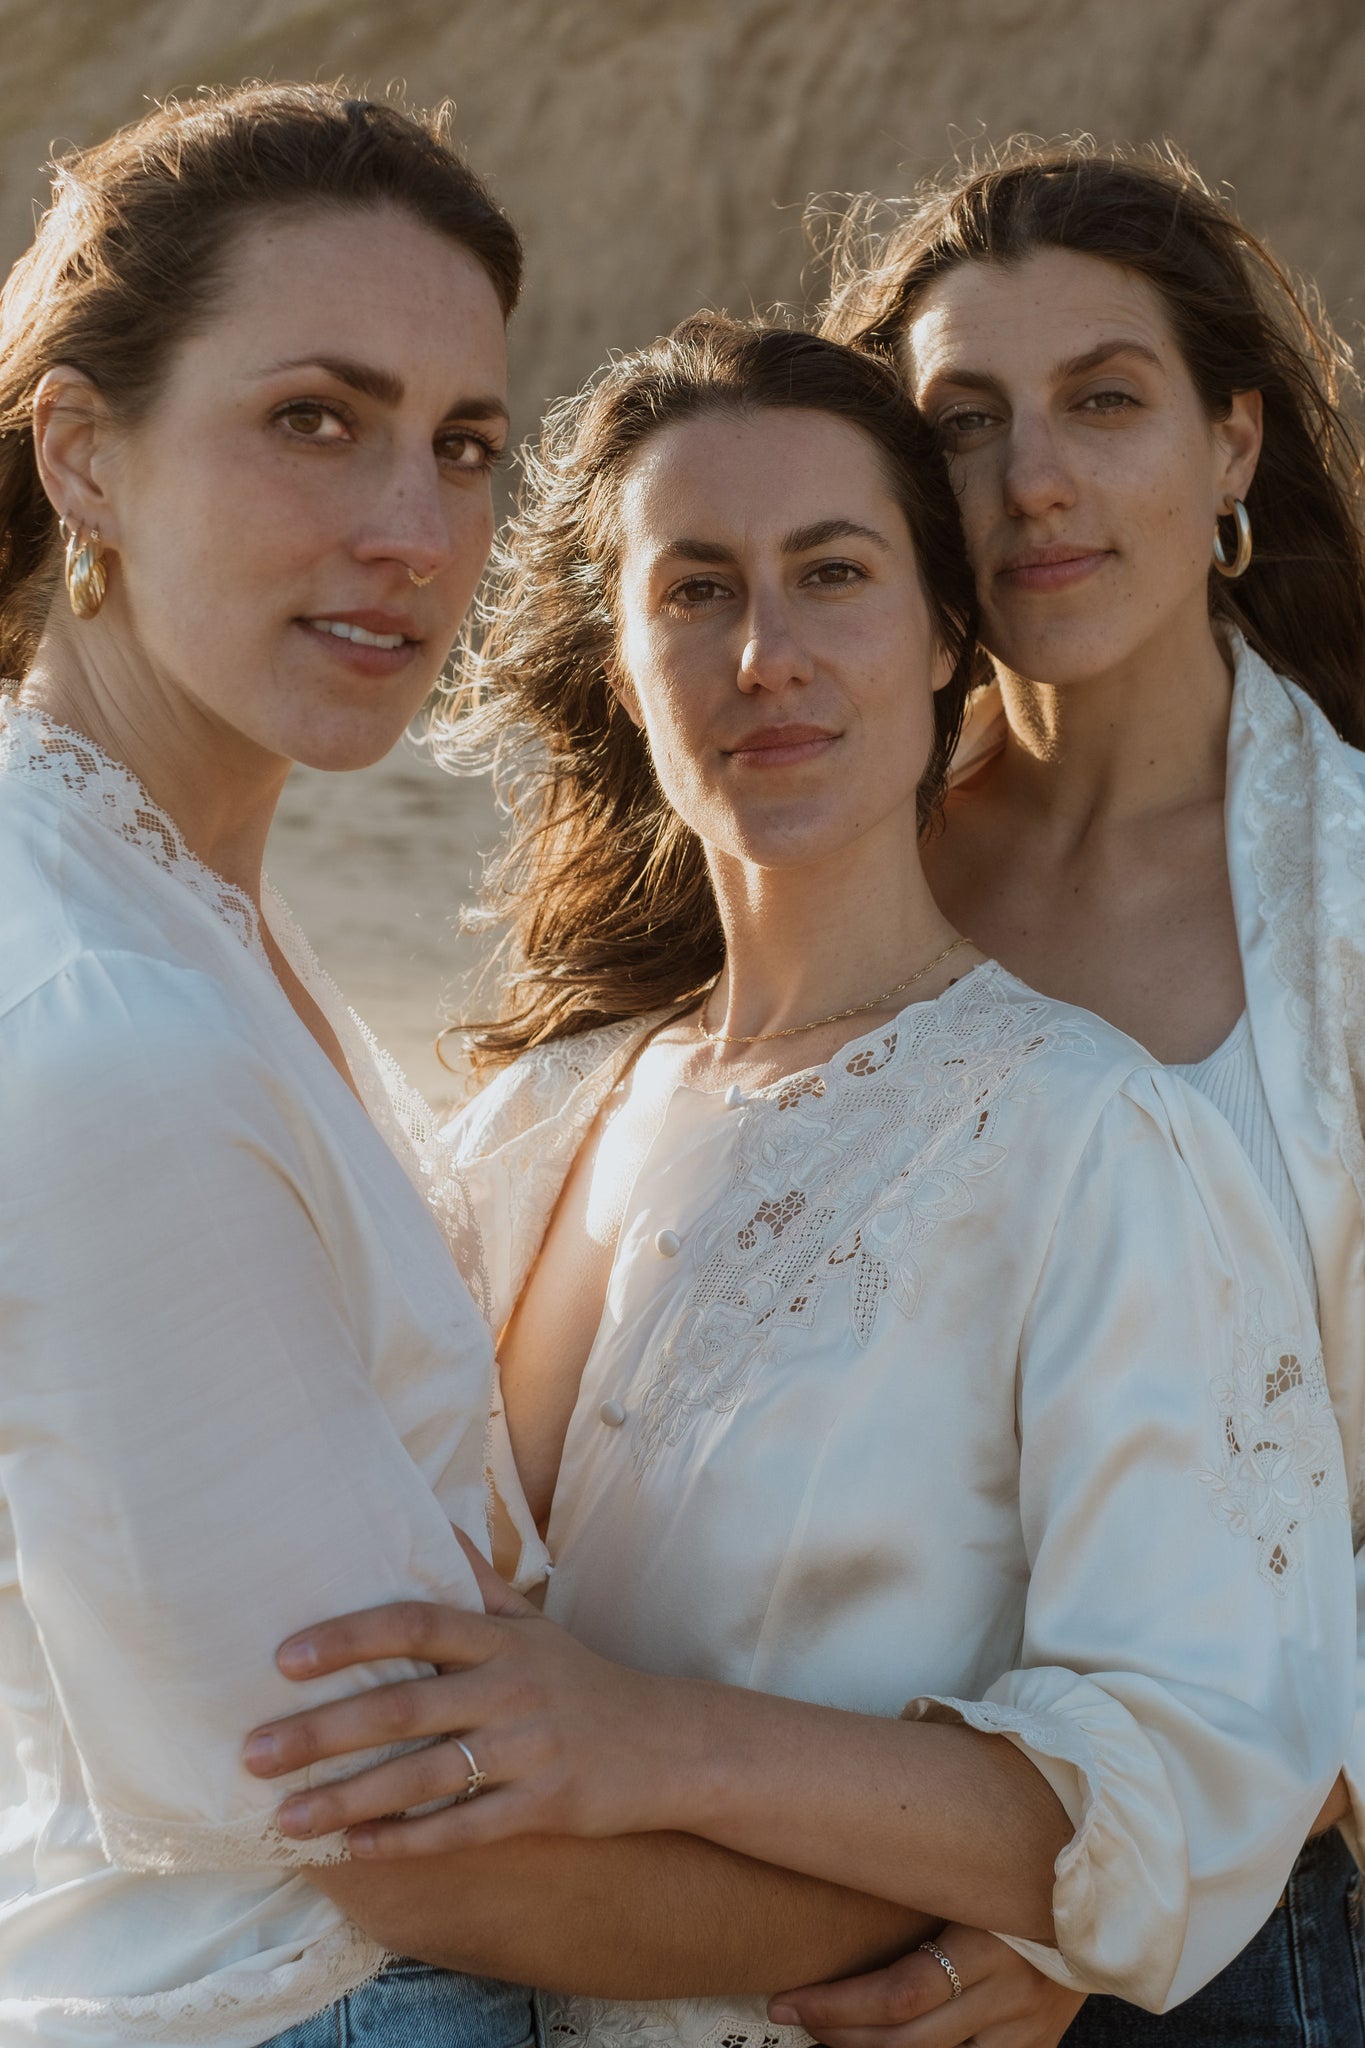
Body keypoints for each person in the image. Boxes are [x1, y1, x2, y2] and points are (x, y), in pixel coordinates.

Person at [241, 315, 1354, 2048]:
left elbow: (1186, 1774)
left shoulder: (1088, 1139)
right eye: (693, 589)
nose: (766, 652)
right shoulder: (531, 1123)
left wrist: (645, 1740)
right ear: (618, 663)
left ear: (940, 646)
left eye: (832, 574)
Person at [777, 139, 1365, 2047]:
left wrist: (1090, 1906)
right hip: (820, 1890)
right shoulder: (830, 860)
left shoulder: (1352, 902)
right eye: (964, 420)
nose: (1033, 479)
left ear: (1236, 450)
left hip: (1255, 1933)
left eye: (1104, 401)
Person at [0, 81, 547, 2048]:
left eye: (463, 444)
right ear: (84, 454)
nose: (414, 530)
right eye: (315, 419)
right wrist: (1032, 1868)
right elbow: (402, 1825)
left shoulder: (183, 905)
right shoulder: (97, 1017)